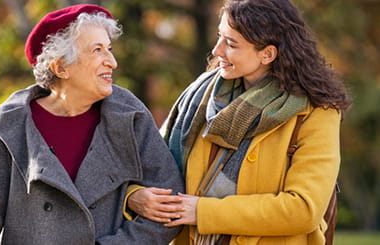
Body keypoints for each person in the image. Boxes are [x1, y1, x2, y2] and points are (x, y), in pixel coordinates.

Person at [0, 4, 184, 244]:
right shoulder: (10, 126)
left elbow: (170, 201)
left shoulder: (129, 115)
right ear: (60, 67)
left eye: (109, 49)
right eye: (97, 50)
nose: (112, 61)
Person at [125, 0, 351, 244]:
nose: (217, 51)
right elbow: (148, 168)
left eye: (231, 44)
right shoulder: (199, 98)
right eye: (220, 37)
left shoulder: (316, 113)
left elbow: (304, 209)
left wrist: (203, 212)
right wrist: (134, 196)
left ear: (268, 54)